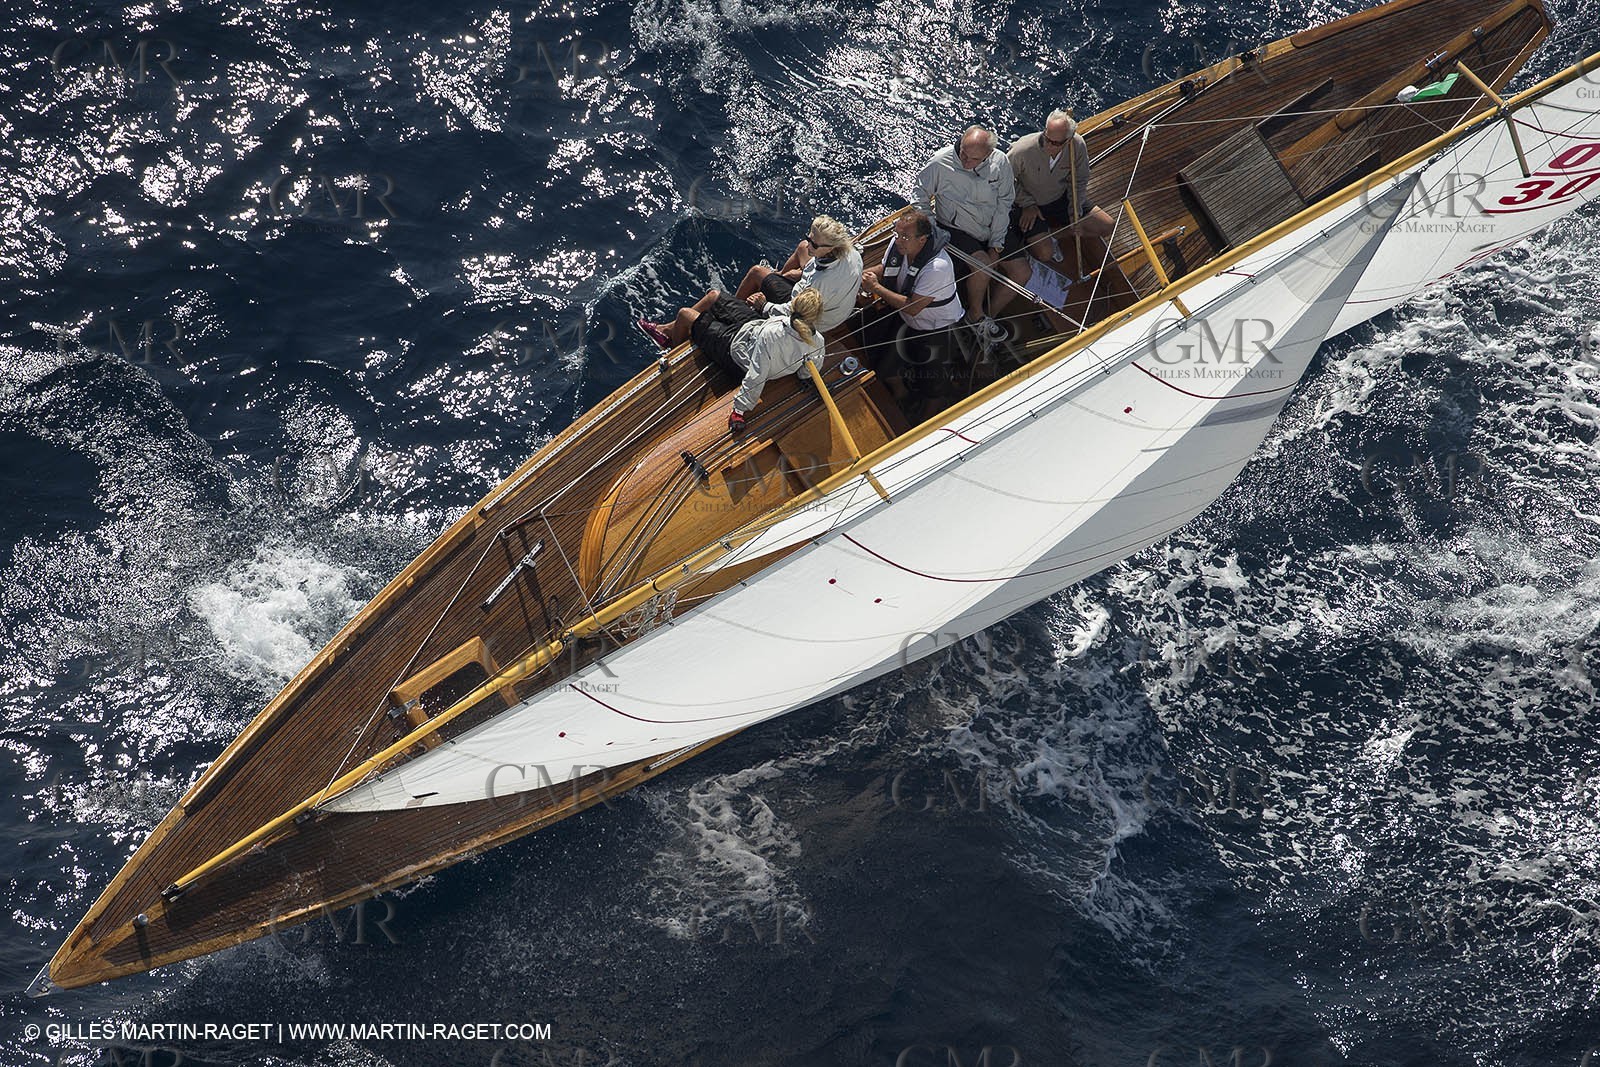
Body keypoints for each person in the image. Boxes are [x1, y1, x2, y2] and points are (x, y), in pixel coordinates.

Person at [659, 287, 827, 433]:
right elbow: (809, 368)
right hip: (753, 329)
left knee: (684, 314)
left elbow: (757, 374)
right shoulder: (817, 341)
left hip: (737, 352)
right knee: (714, 296)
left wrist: (738, 411)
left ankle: (671, 344)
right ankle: (672, 330)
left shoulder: (772, 336)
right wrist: (804, 377)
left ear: (795, 305)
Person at [914, 125, 1014, 343]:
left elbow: (1005, 203)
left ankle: (992, 311)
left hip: (992, 226)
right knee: (984, 266)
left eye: (974, 159)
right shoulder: (940, 162)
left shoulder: (1001, 161)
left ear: (988, 154)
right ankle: (975, 315)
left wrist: (996, 244)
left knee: (1022, 272)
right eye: (963, 154)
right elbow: (919, 195)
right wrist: (934, 231)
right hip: (956, 228)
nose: (966, 162)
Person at [859, 210, 964, 401]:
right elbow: (886, 268)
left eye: (905, 237)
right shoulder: (899, 245)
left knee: (933, 381)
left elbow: (913, 307)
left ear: (922, 240)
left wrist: (875, 287)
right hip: (906, 320)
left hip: (937, 330)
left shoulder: (937, 268)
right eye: (897, 233)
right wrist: (861, 275)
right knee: (885, 367)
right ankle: (902, 394)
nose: (898, 240)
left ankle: (932, 408)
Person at [1006, 109, 1116, 268]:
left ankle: (1055, 233)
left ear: (1068, 139)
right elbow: (1004, 181)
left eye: (1056, 143)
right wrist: (1027, 204)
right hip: (1031, 204)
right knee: (1045, 254)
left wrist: (1075, 212)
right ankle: (1041, 236)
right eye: (1047, 138)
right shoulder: (1021, 150)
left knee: (1107, 226)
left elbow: (1080, 179)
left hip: (1060, 198)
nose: (1048, 146)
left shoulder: (1077, 145)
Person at [737, 215, 864, 333]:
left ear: (831, 248)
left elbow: (795, 312)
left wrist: (764, 306)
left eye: (814, 245)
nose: (809, 246)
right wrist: (802, 274)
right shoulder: (853, 254)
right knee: (802, 247)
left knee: (757, 272)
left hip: (815, 321)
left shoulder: (818, 284)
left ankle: (735, 310)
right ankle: (780, 275)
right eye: (809, 239)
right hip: (839, 311)